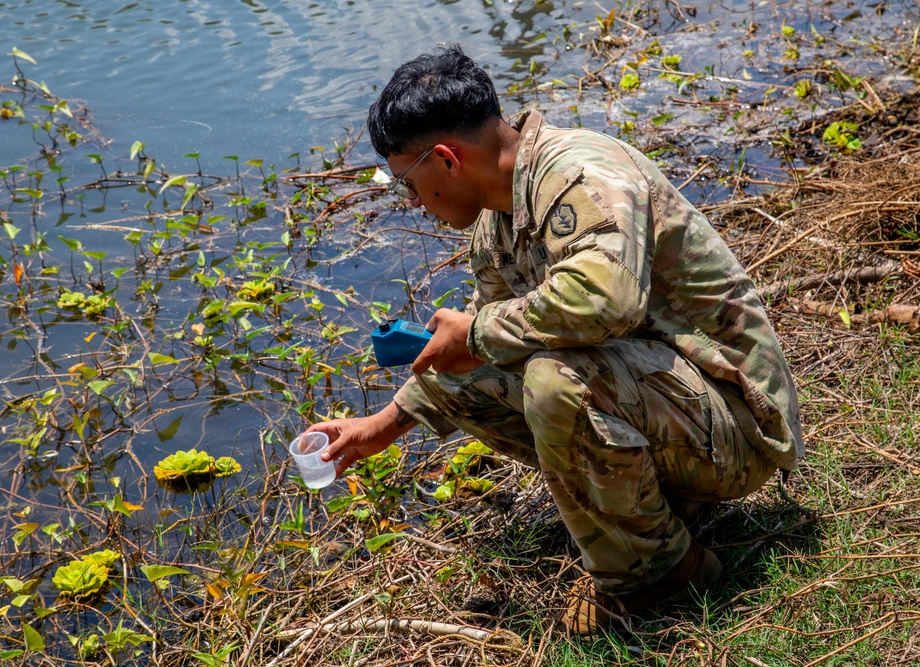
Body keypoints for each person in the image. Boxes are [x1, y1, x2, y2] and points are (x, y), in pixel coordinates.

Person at [306, 44, 804, 634]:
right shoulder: (497, 218)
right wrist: (381, 426)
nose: (412, 203)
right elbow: (481, 344)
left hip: (740, 425)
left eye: (406, 184)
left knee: (553, 381)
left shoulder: (578, 173)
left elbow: (607, 298)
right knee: (479, 360)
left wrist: (480, 332)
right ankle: (657, 508)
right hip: (675, 405)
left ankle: (657, 574)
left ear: (446, 159)